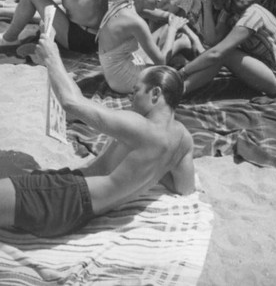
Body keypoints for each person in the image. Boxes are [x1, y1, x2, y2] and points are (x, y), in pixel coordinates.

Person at [0, 35, 195, 238]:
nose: (131, 97)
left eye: (136, 91)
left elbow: (70, 103)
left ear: (155, 94)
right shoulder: (182, 139)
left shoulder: (140, 127)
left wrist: (52, 57)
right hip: (79, 212)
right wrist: (156, 165)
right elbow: (184, 187)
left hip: (63, 197)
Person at [179, 0, 276, 96]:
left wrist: (183, 71)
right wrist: (206, 5)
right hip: (263, 67)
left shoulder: (252, 15)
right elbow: (211, 41)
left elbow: (217, 53)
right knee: (218, 52)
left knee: (224, 53)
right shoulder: (230, 12)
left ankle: (179, 89)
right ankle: (181, 88)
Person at [97, 0, 202, 94]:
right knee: (177, 37)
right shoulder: (136, 22)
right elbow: (161, 62)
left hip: (114, 69)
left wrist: (194, 37)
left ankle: (188, 46)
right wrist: (173, 30)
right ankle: (188, 51)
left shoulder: (127, 4)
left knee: (169, 28)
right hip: (124, 80)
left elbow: (169, 16)